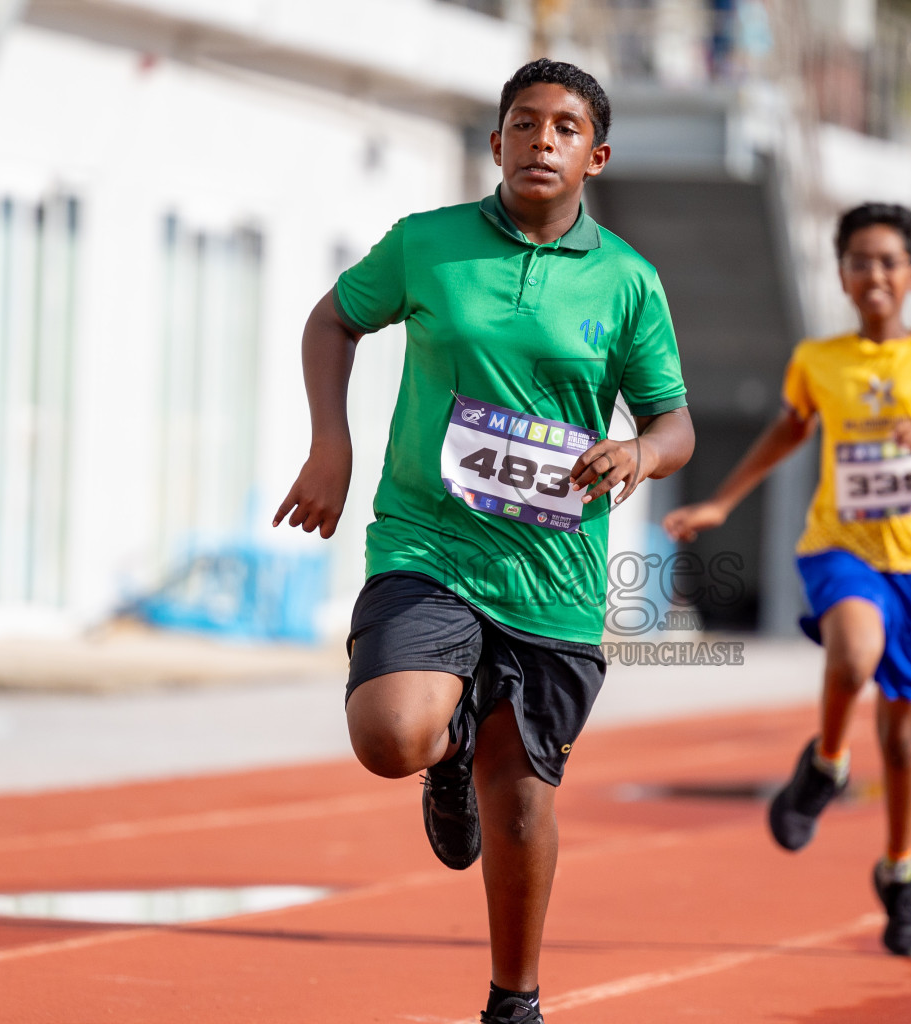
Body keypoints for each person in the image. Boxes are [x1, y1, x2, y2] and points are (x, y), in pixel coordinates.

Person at [274, 59, 694, 1024]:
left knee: (520, 802)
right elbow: (333, 320)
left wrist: (636, 452)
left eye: (564, 128)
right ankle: (445, 750)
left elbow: (676, 426)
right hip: (428, 544)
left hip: (554, 576)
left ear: (596, 155)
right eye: (524, 123)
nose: (542, 141)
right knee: (392, 736)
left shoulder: (629, 281)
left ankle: (515, 998)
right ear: (497, 141)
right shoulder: (429, 245)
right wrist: (329, 443)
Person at [663, 203, 911, 961]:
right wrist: (721, 500)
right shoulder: (820, 359)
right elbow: (789, 428)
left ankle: (899, 870)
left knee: (906, 740)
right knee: (852, 658)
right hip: (843, 546)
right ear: (841, 275)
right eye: (859, 262)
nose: (873, 275)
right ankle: (829, 762)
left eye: (887, 262)